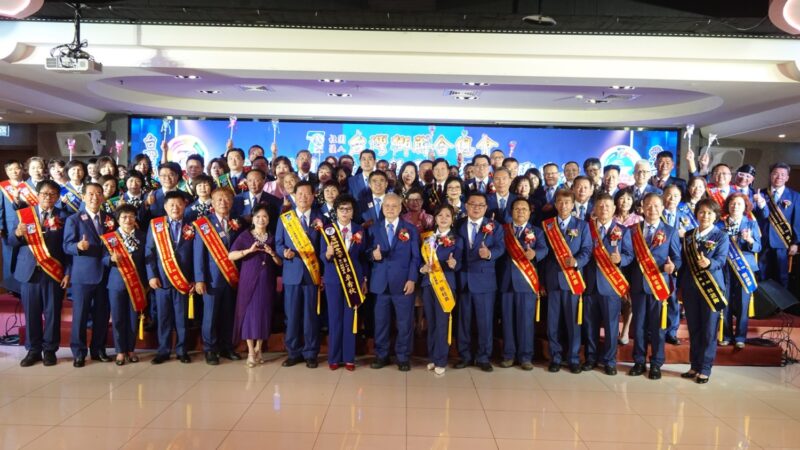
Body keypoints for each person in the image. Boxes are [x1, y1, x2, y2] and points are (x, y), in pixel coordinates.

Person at [10, 180, 70, 367]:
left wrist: (68, 272)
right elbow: (11, 241)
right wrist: (18, 233)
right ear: (37, 195)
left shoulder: (65, 217)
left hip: (53, 272)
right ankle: (33, 350)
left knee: (52, 313)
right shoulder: (25, 215)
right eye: (44, 193)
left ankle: (50, 350)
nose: (48, 197)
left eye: (52, 194)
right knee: (31, 313)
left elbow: (67, 249)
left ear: (57, 197)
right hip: (29, 272)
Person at [629, 193, 681, 380]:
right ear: (642, 208)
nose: (652, 210)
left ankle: (656, 363)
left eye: (656, 206)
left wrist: (672, 267)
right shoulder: (633, 230)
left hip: (659, 286)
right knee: (639, 326)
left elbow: (677, 258)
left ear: (662, 208)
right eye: (648, 206)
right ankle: (639, 361)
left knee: (658, 327)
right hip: (638, 285)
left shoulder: (670, 231)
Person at [63, 183, 115, 367]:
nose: (95, 197)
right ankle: (79, 352)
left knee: (102, 314)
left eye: (99, 193)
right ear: (83, 197)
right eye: (91, 194)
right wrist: (78, 246)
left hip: (106, 274)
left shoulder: (109, 219)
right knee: (80, 316)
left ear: (103, 197)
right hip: (83, 276)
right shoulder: (74, 219)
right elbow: (66, 246)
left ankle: (98, 349)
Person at [367, 193, 421, 371]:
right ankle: (381, 355)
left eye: (394, 206)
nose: (390, 209)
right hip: (380, 283)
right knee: (381, 322)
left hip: (403, 283)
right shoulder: (374, 228)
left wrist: (412, 279)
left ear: (400, 208)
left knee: (405, 323)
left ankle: (403, 357)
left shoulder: (410, 229)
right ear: (382, 208)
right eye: (387, 206)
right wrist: (372, 255)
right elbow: (366, 252)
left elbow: (415, 257)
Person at [582, 193, 633, 375]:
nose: (604, 209)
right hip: (589, 285)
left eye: (607, 206)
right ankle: (591, 358)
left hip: (611, 286)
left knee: (611, 327)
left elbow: (629, 255)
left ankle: (610, 361)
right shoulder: (586, 228)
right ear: (594, 209)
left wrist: (620, 260)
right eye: (600, 206)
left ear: (614, 209)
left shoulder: (623, 231)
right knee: (590, 325)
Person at [542, 189, 592, 373]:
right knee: (553, 322)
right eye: (560, 202)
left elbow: (587, 249)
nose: (564, 206)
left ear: (573, 205)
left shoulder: (582, 225)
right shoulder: (547, 225)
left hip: (573, 280)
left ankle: (573, 358)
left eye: (567, 203)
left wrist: (577, 261)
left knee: (573, 323)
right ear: (555, 204)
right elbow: (543, 253)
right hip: (552, 280)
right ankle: (555, 357)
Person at [276, 181, 324, 368]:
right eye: (300, 194)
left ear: (313, 196)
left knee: (311, 316)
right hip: (292, 274)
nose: (303, 197)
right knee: (292, 316)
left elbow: (323, 248)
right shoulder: (285, 218)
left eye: (307, 193)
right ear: (294, 196)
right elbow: (278, 244)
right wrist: (283, 252)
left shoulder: (320, 219)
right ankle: (293, 352)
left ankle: (311, 353)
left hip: (312, 274)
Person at [680, 199, 729, 384]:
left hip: (711, 288)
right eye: (701, 212)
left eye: (709, 213)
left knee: (709, 330)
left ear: (715, 216)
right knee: (694, 329)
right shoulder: (689, 235)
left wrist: (709, 263)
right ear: (696, 214)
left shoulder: (721, 236)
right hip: (690, 288)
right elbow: (684, 263)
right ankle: (694, 365)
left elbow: (721, 260)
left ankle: (705, 369)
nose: (705, 216)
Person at [455, 192, 505, 372]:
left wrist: (489, 254)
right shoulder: (458, 224)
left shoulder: (494, 226)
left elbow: (501, 247)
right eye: (472, 204)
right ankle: (465, 356)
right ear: (466, 206)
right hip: (463, 280)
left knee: (485, 322)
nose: (476, 208)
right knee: (463, 321)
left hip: (485, 281)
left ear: (486, 208)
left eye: (480, 205)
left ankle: (483, 357)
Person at [497, 198, 547, 370]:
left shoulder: (537, 231)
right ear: (511, 212)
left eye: (524, 209)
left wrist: (535, 254)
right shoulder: (503, 230)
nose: (520, 212)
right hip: (506, 282)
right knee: (507, 321)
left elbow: (544, 249)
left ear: (529, 212)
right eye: (517, 209)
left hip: (527, 282)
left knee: (526, 322)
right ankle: (509, 355)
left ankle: (526, 356)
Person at [194, 188, 243, 364]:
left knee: (228, 315)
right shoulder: (204, 224)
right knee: (210, 316)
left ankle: (227, 347)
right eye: (219, 199)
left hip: (232, 278)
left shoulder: (237, 222)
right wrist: (200, 279)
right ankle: (210, 349)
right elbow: (198, 254)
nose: (223, 202)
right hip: (211, 280)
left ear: (232, 202)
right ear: (212, 203)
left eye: (227, 199)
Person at [229, 203, 282, 367]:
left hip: (266, 282)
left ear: (269, 219)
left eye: (264, 216)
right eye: (258, 216)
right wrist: (248, 251)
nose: (261, 219)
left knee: (263, 314)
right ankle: (251, 352)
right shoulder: (245, 236)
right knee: (249, 315)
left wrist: (272, 253)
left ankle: (259, 349)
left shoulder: (272, 237)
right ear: (252, 219)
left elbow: (279, 262)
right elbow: (231, 255)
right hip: (248, 280)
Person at [145, 191, 195, 364]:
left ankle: (182, 350)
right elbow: (149, 252)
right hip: (162, 280)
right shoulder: (156, 225)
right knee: (163, 317)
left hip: (184, 280)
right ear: (165, 207)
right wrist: (152, 276)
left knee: (182, 318)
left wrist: (194, 278)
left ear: (185, 206)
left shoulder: (192, 226)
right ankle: (163, 350)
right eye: (171, 205)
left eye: (179, 204)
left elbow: (196, 255)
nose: (175, 208)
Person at [321, 194, 366, 371]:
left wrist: (364, 279)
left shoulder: (359, 230)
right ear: (336, 211)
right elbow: (321, 255)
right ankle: (334, 357)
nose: (345, 212)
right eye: (341, 209)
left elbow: (363, 257)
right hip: (333, 279)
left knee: (350, 318)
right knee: (334, 318)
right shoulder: (328, 230)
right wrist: (327, 254)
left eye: (348, 209)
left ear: (353, 212)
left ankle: (349, 357)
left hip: (353, 279)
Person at [419, 204, 462, 375]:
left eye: (447, 216)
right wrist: (422, 269)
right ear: (435, 218)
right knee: (431, 322)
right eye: (440, 215)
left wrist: (455, 264)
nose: (443, 218)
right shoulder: (426, 238)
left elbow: (460, 263)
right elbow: (419, 262)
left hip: (446, 285)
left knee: (442, 322)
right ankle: (432, 357)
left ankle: (441, 359)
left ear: (452, 220)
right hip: (428, 284)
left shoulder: (457, 239)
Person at [103, 204, 146, 365]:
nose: (128, 220)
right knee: (118, 317)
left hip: (137, 283)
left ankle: (131, 349)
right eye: (124, 217)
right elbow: (102, 258)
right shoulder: (110, 238)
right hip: (116, 284)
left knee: (133, 318)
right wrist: (110, 259)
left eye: (131, 217)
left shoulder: (143, 236)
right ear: (118, 220)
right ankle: (120, 351)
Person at [718, 193, 761, 348]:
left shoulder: (751, 224)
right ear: (728, 206)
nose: (735, 206)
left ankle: (740, 337)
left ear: (745, 207)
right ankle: (726, 335)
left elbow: (758, 247)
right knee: (726, 302)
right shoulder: (719, 225)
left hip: (744, 268)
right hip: (724, 268)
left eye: (739, 204)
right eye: (732, 203)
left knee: (743, 303)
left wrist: (749, 240)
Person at [753, 163, 800, 288]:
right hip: (762, 242)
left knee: (781, 276)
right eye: (775, 173)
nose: (779, 177)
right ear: (770, 175)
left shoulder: (795, 196)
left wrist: (795, 243)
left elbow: (797, 221)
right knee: (761, 275)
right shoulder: (760, 194)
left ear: (787, 178)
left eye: (783, 174)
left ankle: (781, 301)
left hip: (783, 243)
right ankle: (763, 300)